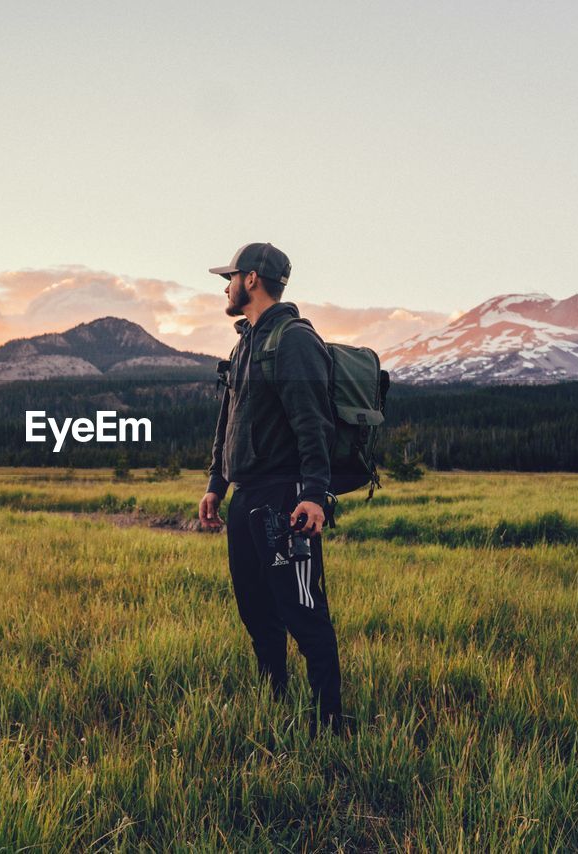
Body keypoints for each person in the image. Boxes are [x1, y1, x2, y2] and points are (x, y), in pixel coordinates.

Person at [197, 242, 345, 735]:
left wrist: (315, 494)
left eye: (232, 276)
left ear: (253, 279)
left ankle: (329, 725)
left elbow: (314, 424)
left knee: (304, 613)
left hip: (286, 499)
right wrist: (217, 484)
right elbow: (228, 419)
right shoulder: (245, 342)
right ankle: (274, 708)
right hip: (246, 499)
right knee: (258, 614)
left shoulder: (294, 340)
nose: (226, 285)